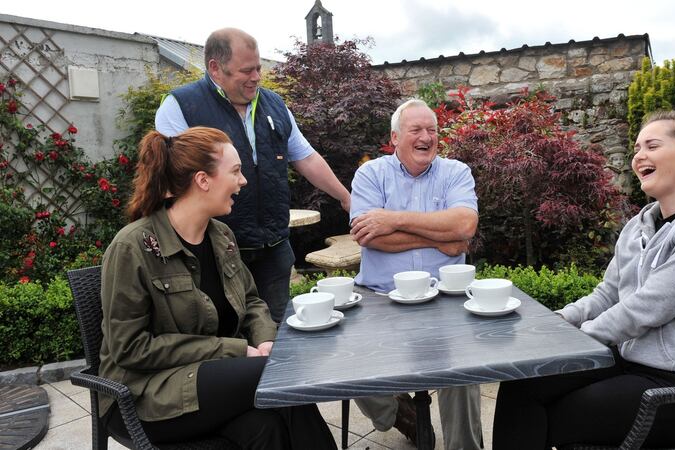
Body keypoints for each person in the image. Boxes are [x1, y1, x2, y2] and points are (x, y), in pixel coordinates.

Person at [492, 111, 675, 449]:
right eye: (637, 148)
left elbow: (650, 306)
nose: (638, 156)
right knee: (522, 383)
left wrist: (577, 340)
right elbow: (608, 293)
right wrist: (558, 321)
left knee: (556, 414)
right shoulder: (640, 225)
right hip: (630, 364)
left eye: (652, 146)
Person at [99, 127, 336, 449]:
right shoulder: (133, 247)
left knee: (265, 429)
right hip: (143, 395)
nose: (243, 181)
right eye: (236, 171)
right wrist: (236, 350)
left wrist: (264, 339)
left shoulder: (221, 236)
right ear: (203, 180)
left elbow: (252, 301)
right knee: (279, 375)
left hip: (208, 381)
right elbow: (130, 348)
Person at [155, 27, 351, 323]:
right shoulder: (181, 106)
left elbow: (306, 157)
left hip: (273, 246)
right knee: (224, 334)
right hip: (213, 251)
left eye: (258, 68)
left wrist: (345, 196)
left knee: (274, 335)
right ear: (215, 69)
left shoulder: (275, 105)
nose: (257, 77)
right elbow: (169, 182)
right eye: (246, 71)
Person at [349, 99, 483, 449]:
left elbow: (465, 225)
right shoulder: (370, 174)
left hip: (445, 296)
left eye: (433, 130)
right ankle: (397, 413)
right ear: (395, 137)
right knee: (349, 357)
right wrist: (442, 238)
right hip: (379, 297)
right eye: (416, 130)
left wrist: (392, 219)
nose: (426, 137)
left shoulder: (455, 172)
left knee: (463, 370)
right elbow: (369, 237)